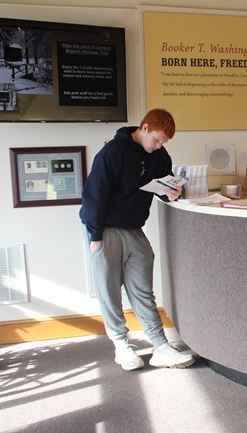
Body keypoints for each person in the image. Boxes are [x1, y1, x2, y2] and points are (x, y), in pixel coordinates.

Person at [79, 108, 195, 371]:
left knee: (143, 289)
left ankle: (160, 345)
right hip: (104, 228)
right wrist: (95, 237)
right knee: (109, 290)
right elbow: (93, 196)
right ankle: (121, 345)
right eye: (156, 139)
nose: (159, 145)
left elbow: (161, 187)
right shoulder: (112, 153)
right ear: (144, 128)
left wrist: (171, 194)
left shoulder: (160, 156)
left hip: (133, 228)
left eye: (164, 141)